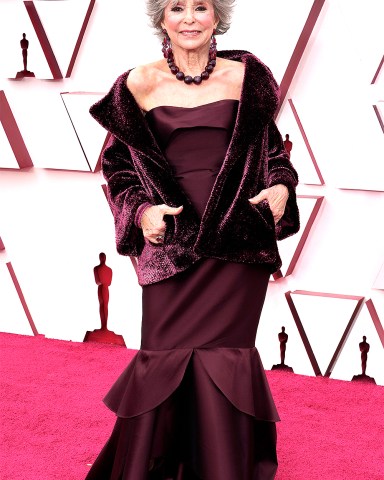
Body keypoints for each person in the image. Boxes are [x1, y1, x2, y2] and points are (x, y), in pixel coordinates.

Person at [87, 1, 299, 479]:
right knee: (162, 358)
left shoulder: (247, 79)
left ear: (216, 16)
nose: (189, 18)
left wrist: (282, 186)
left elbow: (273, 154)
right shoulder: (137, 84)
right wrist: (142, 213)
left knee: (226, 360)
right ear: (161, 17)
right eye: (177, 7)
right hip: (172, 246)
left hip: (237, 245)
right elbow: (118, 170)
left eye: (200, 7)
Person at [93, 252, 113, 330]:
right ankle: (103, 326)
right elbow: (107, 282)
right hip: (104, 288)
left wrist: (102, 281)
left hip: (103, 288)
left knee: (103, 305)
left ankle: (104, 327)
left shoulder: (97, 269)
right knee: (104, 305)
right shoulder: (106, 269)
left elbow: (98, 281)